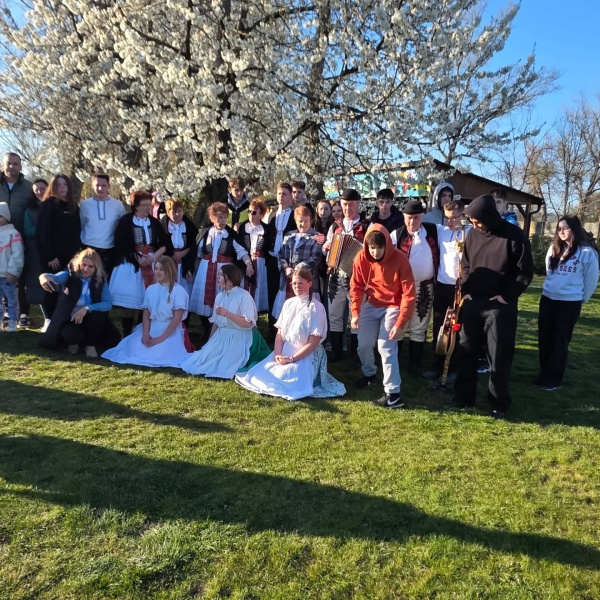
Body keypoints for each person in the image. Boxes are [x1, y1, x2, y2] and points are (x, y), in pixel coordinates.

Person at [450, 194, 534, 419]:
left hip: (499, 306)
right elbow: (465, 264)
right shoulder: (472, 235)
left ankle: (499, 402)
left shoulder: (514, 235)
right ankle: (463, 396)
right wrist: (465, 289)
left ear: (489, 216)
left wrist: (507, 296)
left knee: (498, 356)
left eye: (477, 221)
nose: (475, 225)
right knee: (466, 350)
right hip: (473, 301)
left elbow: (525, 271)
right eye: (472, 221)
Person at [235, 266, 346, 401]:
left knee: (290, 380)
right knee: (263, 375)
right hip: (285, 350)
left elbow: (313, 342)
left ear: (310, 283)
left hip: (306, 354)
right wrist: (277, 354)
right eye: (294, 283)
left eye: (300, 283)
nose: (297, 286)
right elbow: (280, 333)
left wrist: (292, 358)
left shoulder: (316, 307)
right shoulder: (288, 303)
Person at [350, 225, 415, 408]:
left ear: (387, 245)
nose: (376, 252)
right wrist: (355, 313)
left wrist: (401, 323)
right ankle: (369, 374)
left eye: (380, 247)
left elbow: (409, 294)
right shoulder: (361, 258)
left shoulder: (400, 259)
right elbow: (356, 286)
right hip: (373, 303)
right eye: (372, 247)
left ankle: (393, 394)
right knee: (363, 344)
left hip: (394, 304)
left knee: (385, 345)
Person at [535, 216, 599, 391]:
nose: (561, 232)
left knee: (559, 340)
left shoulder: (586, 253)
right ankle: (543, 374)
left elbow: (591, 280)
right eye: (559, 228)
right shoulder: (554, 249)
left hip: (569, 302)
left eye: (566, 228)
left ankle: (554, 379)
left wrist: (580, 298)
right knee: (545, 338)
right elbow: (549, 272)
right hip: (548, 299)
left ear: (575, 229)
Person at [102, 256, 191, 367]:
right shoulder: (151, 289)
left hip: (169, 329)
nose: (158, 272)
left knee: (159, 353)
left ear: (169, 270)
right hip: (152, 327)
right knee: (135, 348)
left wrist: (161, 338)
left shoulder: (178, 291)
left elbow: (177, 318)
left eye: (162, 269)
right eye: (156, 268)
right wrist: (145, 333)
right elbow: (146, 314)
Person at [181, 264, 262, 378]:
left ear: (230, 278)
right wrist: (209, 343)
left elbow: (248, 323)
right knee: (202, 359)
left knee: (226, 364)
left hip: (239, 336)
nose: (217, 277)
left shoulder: (244, 296)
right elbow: (216, 323)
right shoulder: (219, 296)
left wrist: (227, 314)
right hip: (221, 336)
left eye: (220, 275)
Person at [110, 190, 171, 336]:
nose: (148, 208)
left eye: (149, 205)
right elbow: (120, 243)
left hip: (151, 264)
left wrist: (153, 257)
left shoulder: (154, 223)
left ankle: (140, 333)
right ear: (136, 206)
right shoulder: (126, 221)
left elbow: (165, 244)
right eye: (144, 205)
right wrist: (137, 258)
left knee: (147, 302)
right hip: (131, 265)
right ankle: (126, 333)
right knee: (130, 302)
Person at [38, 248, 120, 356]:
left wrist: (87, 308)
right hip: (70, 319)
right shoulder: (69, 275)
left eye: (90, 266)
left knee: (98, 316)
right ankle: (73, 342)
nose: (86, 269)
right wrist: (43, 277)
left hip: (89, 319)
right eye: (83, 265)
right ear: (79, 263)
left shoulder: (101, 281)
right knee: (72, 336)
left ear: (96, 268)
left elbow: (108, 304)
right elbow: (54, 277)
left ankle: (90, 345)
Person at [189, 202, 251, 342]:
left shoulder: (230, 235)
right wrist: (189, 267)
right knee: (204, 301)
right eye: (219, 217)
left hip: (224, 271)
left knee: (222, 299)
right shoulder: (205, 233)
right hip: (206, 269)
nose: (222, 220)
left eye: (224, 217)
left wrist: (248, 264)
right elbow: (196, 251)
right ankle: (207, 328)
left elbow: (241, 251)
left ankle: (220, 327)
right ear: (212, 218)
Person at [423, 200, 470, 381]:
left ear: (462, 216)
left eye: (454, 218)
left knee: (456, 329)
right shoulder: (441, 231)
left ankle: (453, 368)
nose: (450, 222)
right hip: (442, 286)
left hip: (459, 289)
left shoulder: (469, 233)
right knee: (439, 327)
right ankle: (438, 365)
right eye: (447, 218)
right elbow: (418, 222)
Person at [392, 200, 439, 377]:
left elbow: (456, 229)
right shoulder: (396, 234)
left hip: (425, 287)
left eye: (416, 218)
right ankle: (395, 362)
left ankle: (414, 365)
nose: (412, 222)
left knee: (419, 325)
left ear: (423, 216)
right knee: (399, 323)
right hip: (402, 288)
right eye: (409, 218)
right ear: (404, 217)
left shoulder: (434, 231)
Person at [324, 188, 370, 362]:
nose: (347, 208)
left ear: (358, 204)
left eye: (351, 204)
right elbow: (326, 250)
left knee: (356, 315)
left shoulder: (367, 226)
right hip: (336, 275)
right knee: (334, 314)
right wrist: (326, 248)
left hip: (357, 278)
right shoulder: (335, 226)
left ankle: (355, 354)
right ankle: (337, 352)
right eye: (344, 204)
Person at [36, 174, 81, 322]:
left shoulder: (74, 206)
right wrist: (50, 256)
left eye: (65, 184)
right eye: (58, 185)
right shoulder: (48, 204)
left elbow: (76, 232)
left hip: (71, 257)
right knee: (51, 288)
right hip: (53, 258)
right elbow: (42, 232)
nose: (62, 188)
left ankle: (64, 319)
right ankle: (49, 319)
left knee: (68, 288)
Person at [0, 153, 35, 328]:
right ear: (2, 165)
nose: (12, 167)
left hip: (21, 236)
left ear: (20, 166)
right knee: (2, 275)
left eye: (16, 164)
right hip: (1, 238)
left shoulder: (28, 187)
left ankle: (23, 313)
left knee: (21, 275)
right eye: (9, 163)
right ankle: (7, 312)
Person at [272, 205, 322, 318]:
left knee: (306, 313)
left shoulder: (316, 236)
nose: (303, 224)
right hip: (288, 279)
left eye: (306, 221)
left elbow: (315, 258)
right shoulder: (289, 235)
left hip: (306, 278)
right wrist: (285, 268)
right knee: (288, 312)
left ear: (311, 220)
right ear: (295, 220)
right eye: (300, 221)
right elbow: (281, 254)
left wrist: (298, 269)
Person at [265, 183, 297, 340]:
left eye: (284, 194)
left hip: (287, 260)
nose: (281, 197)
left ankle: (287, 330)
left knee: (286, 294)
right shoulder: (271, 215)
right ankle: (272, 330)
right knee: (272, 293)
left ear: (290, 197)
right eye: (279, 193)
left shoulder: (294, 215)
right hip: (272, 258)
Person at [79, 173, 126, 275]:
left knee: (105, 278)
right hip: (88, 247)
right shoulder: (85, 204)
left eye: (104, 185)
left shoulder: (118, 206)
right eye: (97, 185)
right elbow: (81, 225)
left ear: (108, 186)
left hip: (108, 249)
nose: (100, 188)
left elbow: (122, 227)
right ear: (92, 185)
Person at [22, 179, 48, 327]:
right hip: (34, 252)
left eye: (42, 188)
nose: (39, 191)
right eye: (36, 189)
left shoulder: (54, 206)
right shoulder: (30, 209)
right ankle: (46, 317)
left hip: (53, 251)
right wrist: (43, 231)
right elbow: (28, 230)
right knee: (38, 285)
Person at [237, 198, 271, 314]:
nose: (251, 214)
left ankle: (255, 314)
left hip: (260, 263)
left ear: (261, 214)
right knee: (244, 286)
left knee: (257, 289)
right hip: (245, 261)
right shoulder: (242, 227)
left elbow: (268, 248)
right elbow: (239, 246)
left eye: (254, 212)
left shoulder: (266, 229)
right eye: (249, 211)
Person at [160, 198, 198, 297]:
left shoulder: (190, 227)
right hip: (168, 261)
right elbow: (160, 243)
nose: (177, 214)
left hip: (185, 262)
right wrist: (171, 254)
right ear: (168, 213)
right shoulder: (162, 227)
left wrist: (183, 253)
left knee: (185, 290)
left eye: (179, 211)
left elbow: (195, 244)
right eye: (173, 211)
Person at [0, 202, 24, 332]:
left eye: (0, 216)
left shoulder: (13, 233)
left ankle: (13, 322)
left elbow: (17, 254)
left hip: (7, 274)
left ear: (6, 217)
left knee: (11, 300)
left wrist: (13, 271)